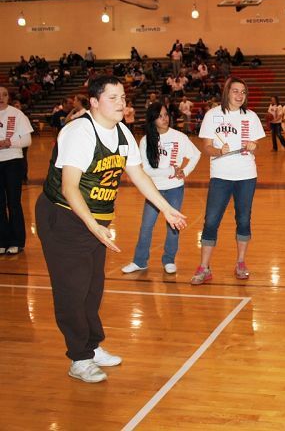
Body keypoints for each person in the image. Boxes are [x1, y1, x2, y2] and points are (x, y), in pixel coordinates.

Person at [35, 75, 187, 383]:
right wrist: (94, 227)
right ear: (94, 102)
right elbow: (69, 188)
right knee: (72, 291)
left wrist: (166, 208)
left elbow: (138, 174)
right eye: (113, 98)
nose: (121, 103)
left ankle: (91, 347)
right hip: (64, 218)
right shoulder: (80, 132)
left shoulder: (122, 133)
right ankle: (78, 358)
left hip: (94, 222)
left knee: (92, 288)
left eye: (123, 97)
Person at [192, 76, 265, 284]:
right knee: (211, 221)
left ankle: (241, 262)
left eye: (243, 92)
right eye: (235, 91)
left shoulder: (251, 117)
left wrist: (254, 147)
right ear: (227, 92)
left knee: (243, 219)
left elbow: (258, 148)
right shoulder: (212, 115)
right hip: (220, 177)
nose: (239, 95)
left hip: (246, 176)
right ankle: (204, 267)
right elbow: (206, 147)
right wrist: (218, 150)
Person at [122, 102, 201, 275]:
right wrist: (172, 170)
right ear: (152, 119)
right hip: (153, 190)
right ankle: (140, 261)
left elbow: (196, 154)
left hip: (174, 189)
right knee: (146, 227)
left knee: (173, 227)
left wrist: (185, 171)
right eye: (160, 116)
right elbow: (148, 171)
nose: (164, 119)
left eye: (166, 115)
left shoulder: (179, 137)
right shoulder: (145, 140)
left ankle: (169, 260)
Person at [0, 87, 33, 254]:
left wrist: (8, 143)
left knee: (13, 203)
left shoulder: (17, 114)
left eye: (4, 95)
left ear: (8, 97)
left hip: (13, 161)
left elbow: (27, 140)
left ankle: (17, 241)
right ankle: (2, 241)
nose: (1, 98)